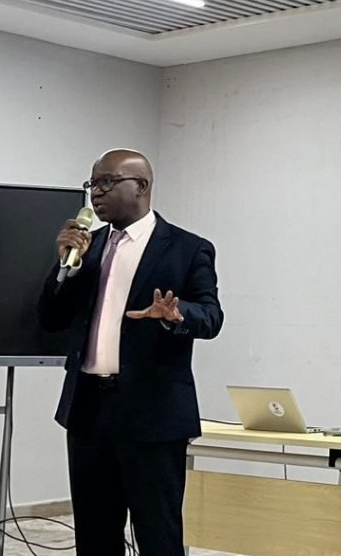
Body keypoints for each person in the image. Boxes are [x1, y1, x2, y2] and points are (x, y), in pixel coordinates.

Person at [38, 149, 224, 555]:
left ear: (140, 187)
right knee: (95, 535)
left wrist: (175, 314)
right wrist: (65, 268)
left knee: (157, 535)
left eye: (106, 182)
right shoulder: (87, 247)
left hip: (153, 414)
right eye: (92, 184)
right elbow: (50, 319)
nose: (96, 194)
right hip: (88, 411)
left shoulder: (187, 248)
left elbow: (211, 317)